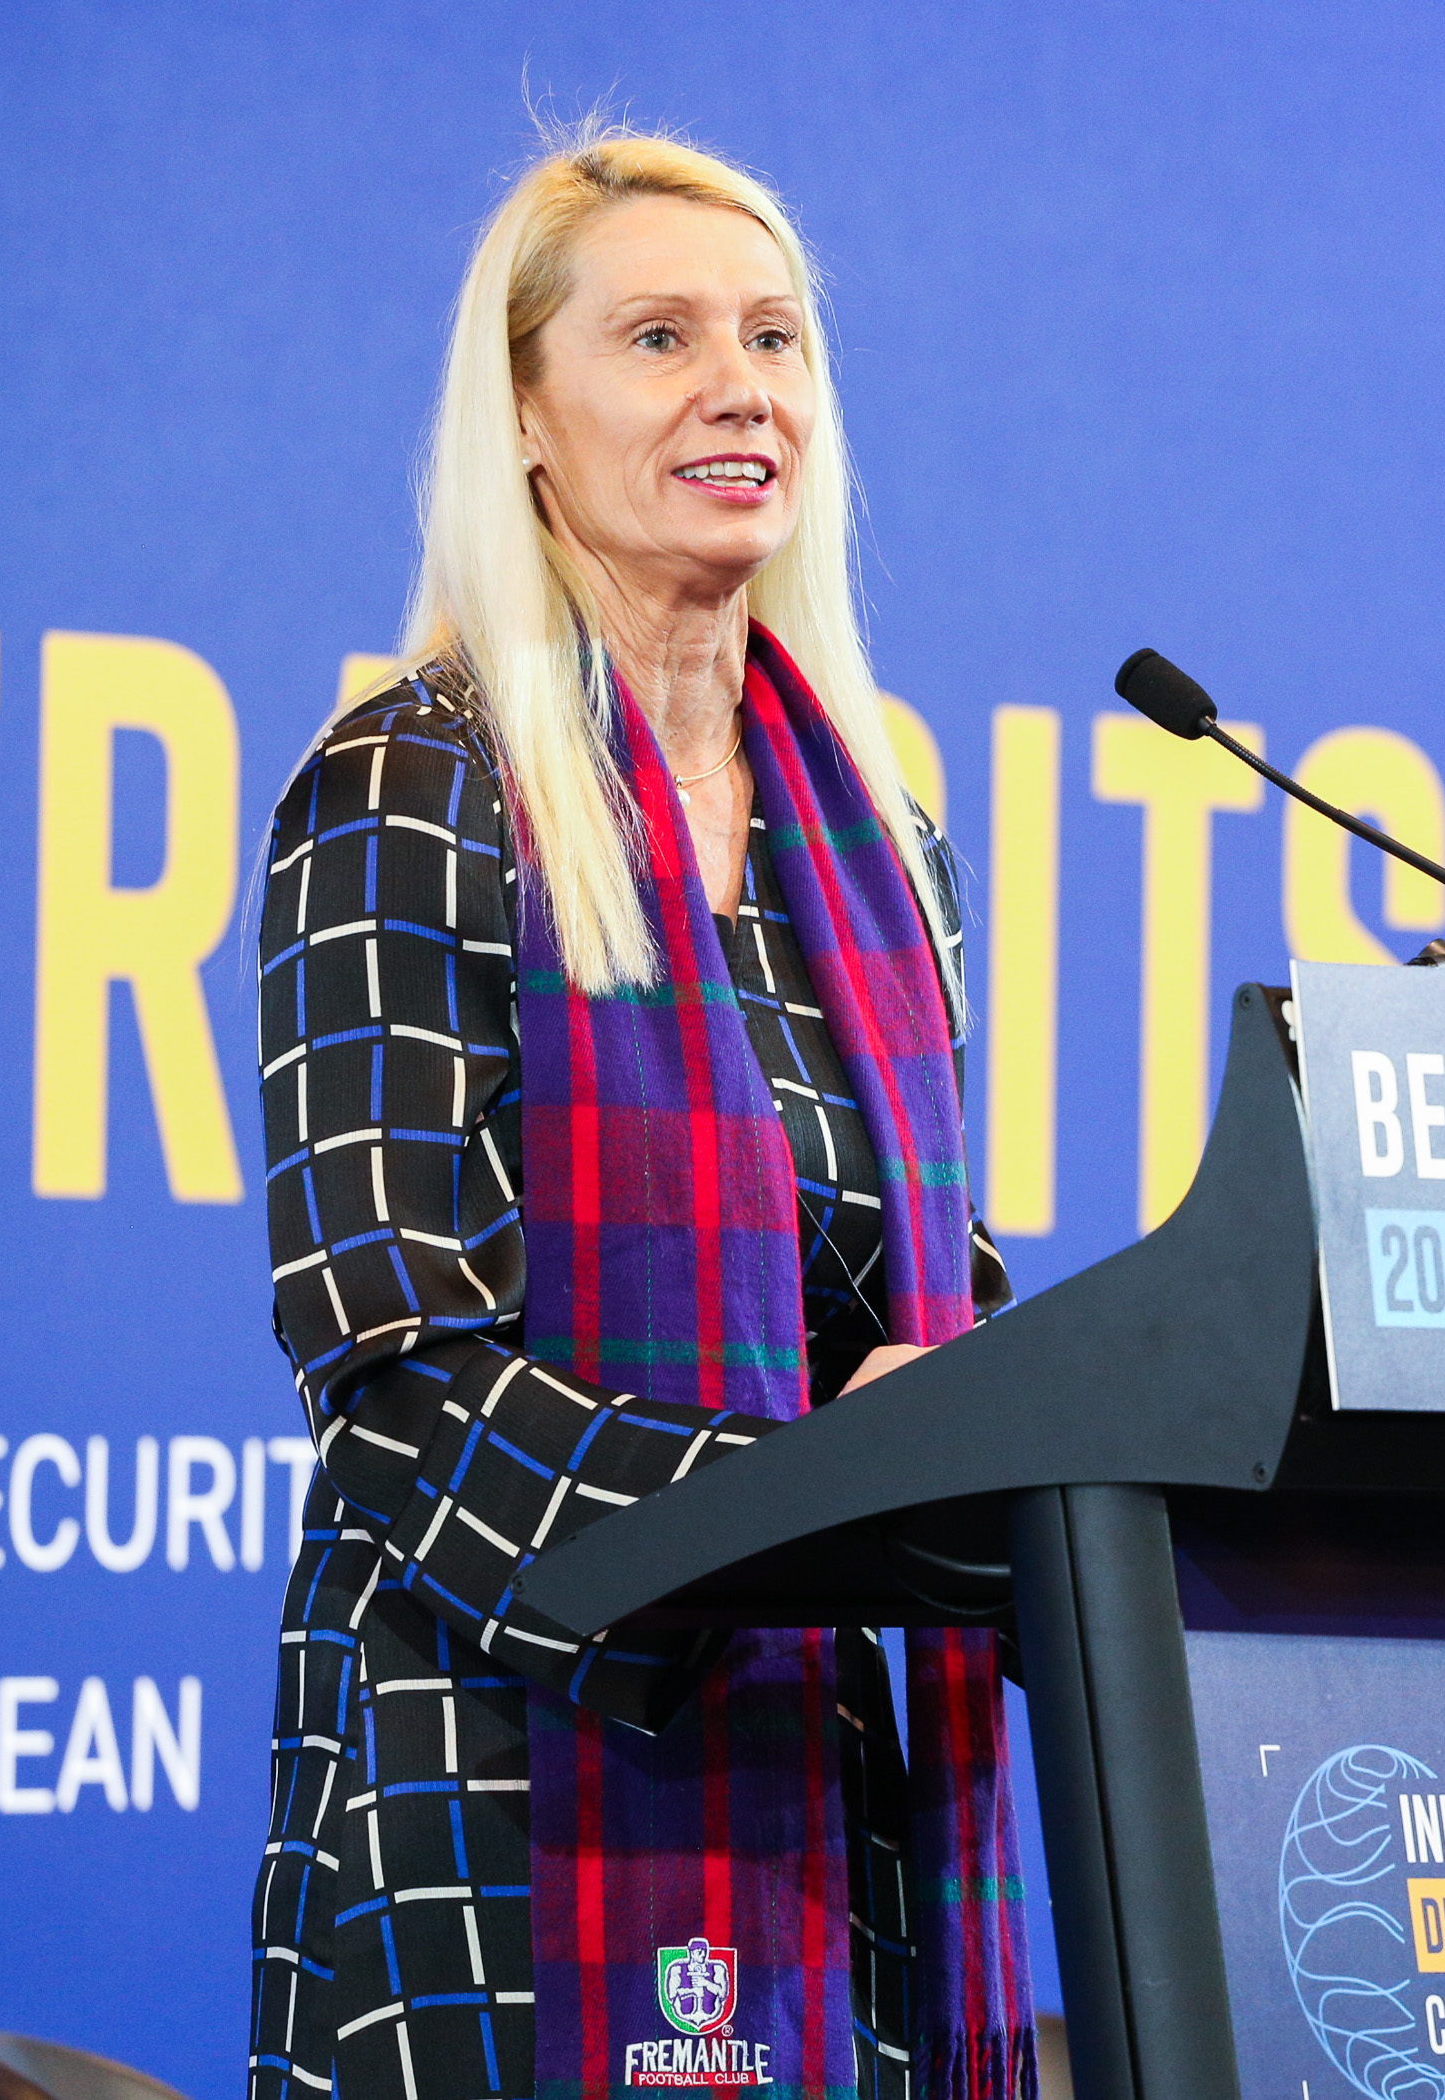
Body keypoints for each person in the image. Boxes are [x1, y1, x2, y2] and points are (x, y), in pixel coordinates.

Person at [247, 131, 1031, 2100]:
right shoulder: (411, 785)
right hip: (506, 1780)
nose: (740, 385)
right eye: (660, 337)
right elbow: (399, 1367)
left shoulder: (884, 841)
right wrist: (793, 1502)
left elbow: (917, 1320)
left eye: (774, 338)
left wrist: (986, 1425)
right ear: (525, 415)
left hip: (828, 1779)